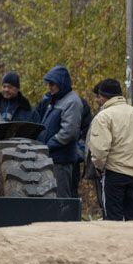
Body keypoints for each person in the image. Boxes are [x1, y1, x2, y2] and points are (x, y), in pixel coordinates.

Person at [87, 78, 133, 221]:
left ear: (103, 96)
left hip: (114, 175)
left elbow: (100, 151)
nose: (97, 100)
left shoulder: (104, 116)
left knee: (113, 222)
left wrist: (100, 168)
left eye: (98, 96)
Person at [36, 65, 84, 199]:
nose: (49, 87)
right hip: (51, 158)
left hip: (61, 160)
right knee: (51, 198)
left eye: (52, 84)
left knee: (62, 198)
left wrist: (47, 145)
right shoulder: (55, 99)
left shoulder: (72, 101)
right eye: (49, 84)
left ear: (61, 83)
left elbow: (69, 132)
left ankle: (66, 220)